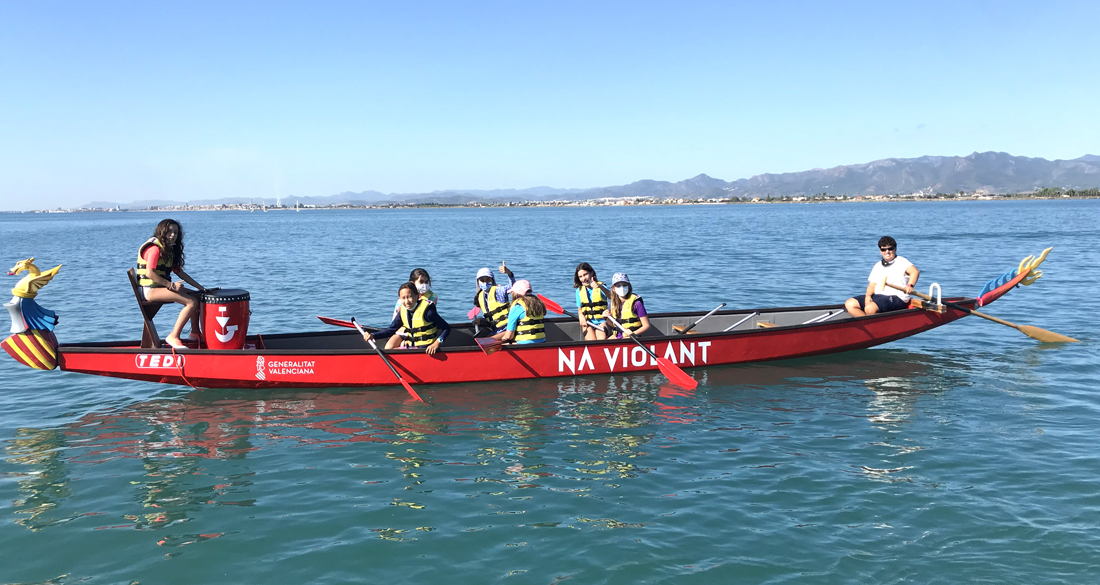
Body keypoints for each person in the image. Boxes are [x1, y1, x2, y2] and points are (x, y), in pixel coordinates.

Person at [136, 219, 207, 349]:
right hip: (150, 291)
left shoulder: (168, 249)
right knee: (191, 302)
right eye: (169, 232)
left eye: (175, 232)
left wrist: (201, 288)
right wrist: (172, 285)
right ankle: (173, 336)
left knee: (198, 297)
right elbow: (150, 274)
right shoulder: (154, 249)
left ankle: (195, 333)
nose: (173, 235)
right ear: (161, 232)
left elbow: (179, 272)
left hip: (160, 287)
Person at [365, 281, 450, 355]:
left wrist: (436, 343)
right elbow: (390, 330)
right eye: (403, 298)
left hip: (426, 349)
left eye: (410, 297)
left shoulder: (428, 312)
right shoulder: (403, 311)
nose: (407, 301)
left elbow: (446, 328)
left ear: (417, 296)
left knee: (391, 353)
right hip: (412, 348)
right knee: (389, 352)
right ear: (400, 299)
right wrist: (373, 335)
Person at [845, 236, 920, 317]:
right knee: (850, 304)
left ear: (895, 249)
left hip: (897, 298)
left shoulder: (901, 261)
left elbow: (915, 272)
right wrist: (868, 296)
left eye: (890, 249)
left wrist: (910, 285)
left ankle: (872, 326)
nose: (887, 252)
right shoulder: (877, 266)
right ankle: (869, 326)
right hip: (879, 296)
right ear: (880, 251)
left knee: (870, 308)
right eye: (883, 249)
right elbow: (872, 285)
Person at [472, 261, 516, 335]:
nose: (485, 283)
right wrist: (481, 320)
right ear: (478, 282)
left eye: (488, 279)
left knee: (487, 342)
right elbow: (491, 318)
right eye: (482, 280)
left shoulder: (499, 291)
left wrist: (509, 273)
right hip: (495, 331)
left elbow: (513, 286)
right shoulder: (481, 296)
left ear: (492, 280)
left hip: (508, 329)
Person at [497, 280, 546, 344]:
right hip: (542, 341)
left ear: (515, 293)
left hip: (523, 343)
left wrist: (503, 338)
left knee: (502, 345)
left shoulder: (516, 308)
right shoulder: (539, 304)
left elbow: (509, 336)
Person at [603, 272, 651, 338]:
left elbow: (646, 325)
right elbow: (613, 324)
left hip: (632, 337)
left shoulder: (636, 303)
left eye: (624, 285)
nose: (622, 287)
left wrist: (633, 333)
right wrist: (607, 318)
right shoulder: (613, 304)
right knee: (604, 344)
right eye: (618, 286)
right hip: (618, 336)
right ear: (614, 289)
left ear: (629, 286)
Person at [573, 262, 608, 340]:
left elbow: (611, 296)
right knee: (591, 342)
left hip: (601, 321)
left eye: (585, 274)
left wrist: (600, 287)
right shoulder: (579, 291)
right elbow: (580, 310)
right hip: (588, 322)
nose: (583, 278)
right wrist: (581, 317)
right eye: (580, 276)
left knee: (601, 340)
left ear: (591, 273)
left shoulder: (601, 286)